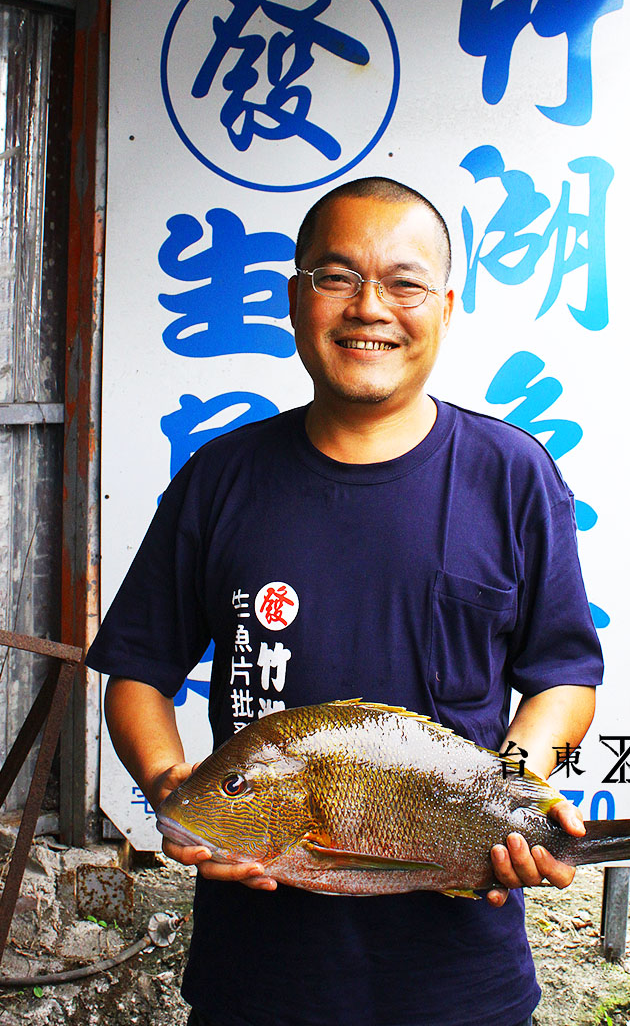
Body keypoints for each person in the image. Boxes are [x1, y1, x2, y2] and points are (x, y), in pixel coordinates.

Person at [86, 176, 603, 1026]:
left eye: (402, 283)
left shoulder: (510, 475)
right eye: (336, 277)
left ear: (444, 304)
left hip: (459, 972)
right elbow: (138, 669)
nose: (370, 308)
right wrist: (182, 793)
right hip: (257, 974)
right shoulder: (223, 478)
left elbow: (563, 678)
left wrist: (512, 794)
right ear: (296, 300)